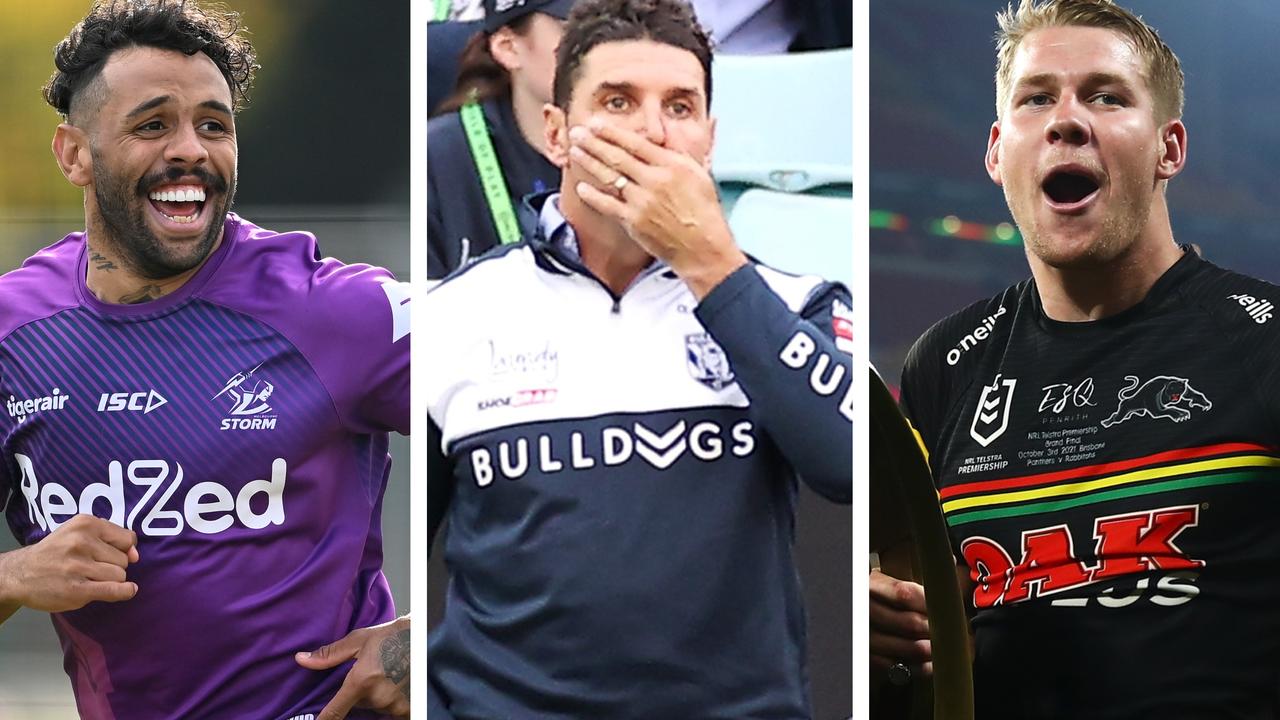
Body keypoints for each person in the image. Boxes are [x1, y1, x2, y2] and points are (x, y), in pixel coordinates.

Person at [425, 0, 853, 717]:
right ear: (556, 133)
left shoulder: (794, 300)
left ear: (710, 140)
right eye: (617, 102)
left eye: (680, 107)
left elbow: (850, 465)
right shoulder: (455, 310)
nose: (652, 132)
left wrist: (711, 265)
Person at [0, 2, 410, 718]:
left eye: (213, 125)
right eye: (153, 124)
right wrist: (14, 577)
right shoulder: (15, 331)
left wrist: (432, 642)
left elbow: (541, 405)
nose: (191, 149)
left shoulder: (337, 311)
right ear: (74, 154)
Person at [873, 0, 1280, 717]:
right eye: (1037, 98)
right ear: (998, 152)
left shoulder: (1264, 340)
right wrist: (891, 628)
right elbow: (942, 624)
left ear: (1169, 148)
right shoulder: (943, 365)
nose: (1066, 118)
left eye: (1107, 95)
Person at [427, 0, 573, 279]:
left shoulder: (658, 141)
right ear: (508, 48)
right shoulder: (437, 157)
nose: (600, 48)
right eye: (574, 30)